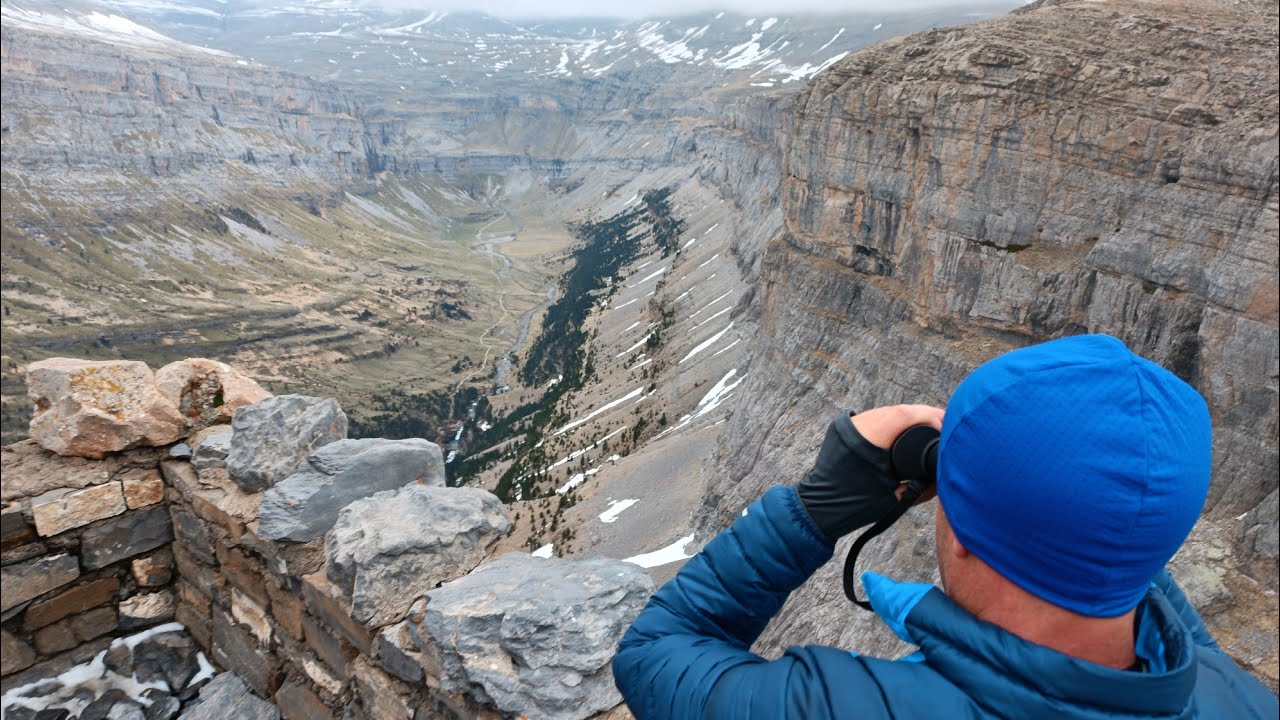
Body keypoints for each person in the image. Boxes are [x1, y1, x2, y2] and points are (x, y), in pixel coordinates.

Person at [612, 334, 1278, 719]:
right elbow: (1130, 552)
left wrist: (818, 504)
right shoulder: (1240, 696)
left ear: (960, 534)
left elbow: (654, 650)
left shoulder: (839, 707)